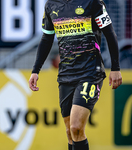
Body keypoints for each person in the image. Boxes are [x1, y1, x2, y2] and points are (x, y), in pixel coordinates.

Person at [29, 0, 122, 150]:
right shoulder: (51, 5)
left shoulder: (92, 2)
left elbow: (109, 33)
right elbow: (46, 38)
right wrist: (35, 70)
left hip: (90, 72)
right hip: (66, 74)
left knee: (76, 127)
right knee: (70, 133)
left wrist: (115, 68)